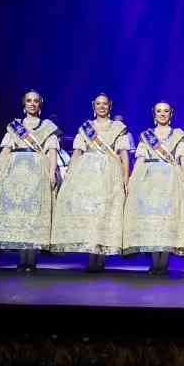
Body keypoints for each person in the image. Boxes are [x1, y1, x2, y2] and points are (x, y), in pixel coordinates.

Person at [50, 92, 131, 272]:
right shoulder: (86, 128)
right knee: (91, 214)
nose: (102, 106)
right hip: (87, 175)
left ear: (110, 106)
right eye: (98, 104)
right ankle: (91, 256)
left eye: (105, 104)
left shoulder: (118, 128)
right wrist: (69, 175)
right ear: (93, 106)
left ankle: (100, 257)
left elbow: (124, 155)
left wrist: (126, 176)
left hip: (110, 174)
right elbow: (77, 153)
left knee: (104, 213)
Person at [0, 90, 60, 271]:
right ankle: (22, 257)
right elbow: (5, 151)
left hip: (37, 171)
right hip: (15, 172)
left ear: (40, 105)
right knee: (20, 213)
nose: (32, 104)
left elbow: (52, 152)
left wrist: (51, 173)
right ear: (24, 105)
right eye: (29, 101)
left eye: (36, 101)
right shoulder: (14, 127)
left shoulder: (48, 127)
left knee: (33, 214)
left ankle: (31, 259)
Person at [122, 101, 184, 275]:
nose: (162, 114)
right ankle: (154, 261)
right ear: (154, 114)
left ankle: (164, 261)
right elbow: (140, 160)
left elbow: (183, 160)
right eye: (159, 111)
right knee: (152, 220)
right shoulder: (147, 136)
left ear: (171, 114)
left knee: (167, 221)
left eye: (166, 111)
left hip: (171, 181)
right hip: (150, 181)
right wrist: (132, 180)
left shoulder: (178, 135)